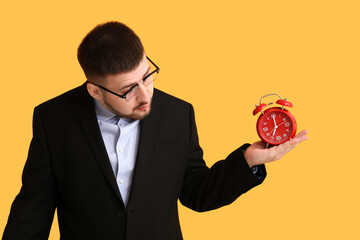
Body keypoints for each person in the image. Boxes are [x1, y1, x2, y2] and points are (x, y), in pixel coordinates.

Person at [2, 21, 308, 240]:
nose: (146, 96)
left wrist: (248, 161)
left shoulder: (179, 113)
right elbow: (33, 207)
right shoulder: (52, 118)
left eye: (147, 77)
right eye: (128, 90)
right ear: (95, 91)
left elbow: (196, 193)